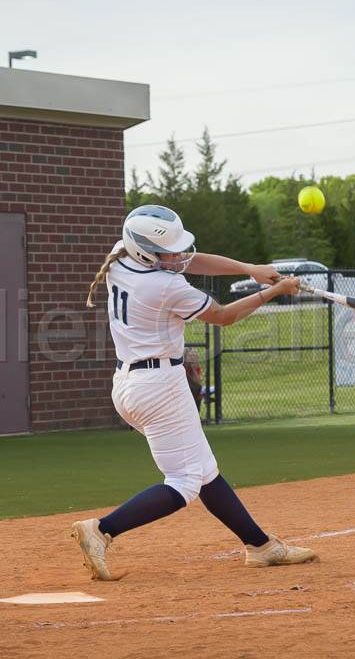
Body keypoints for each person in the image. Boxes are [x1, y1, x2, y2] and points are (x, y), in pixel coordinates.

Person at [69, 204, 317, 581]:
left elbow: (190, 259)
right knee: (185, 481)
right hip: (160, 388)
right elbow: (224, 316)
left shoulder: (120, 257)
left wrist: (249, 270)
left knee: (203, 470)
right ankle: (103, 529)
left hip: (130, 383)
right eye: (168, 251)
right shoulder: (165, 286)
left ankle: (261, 546)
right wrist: (275, 291)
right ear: (147, 252)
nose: (178, 256)